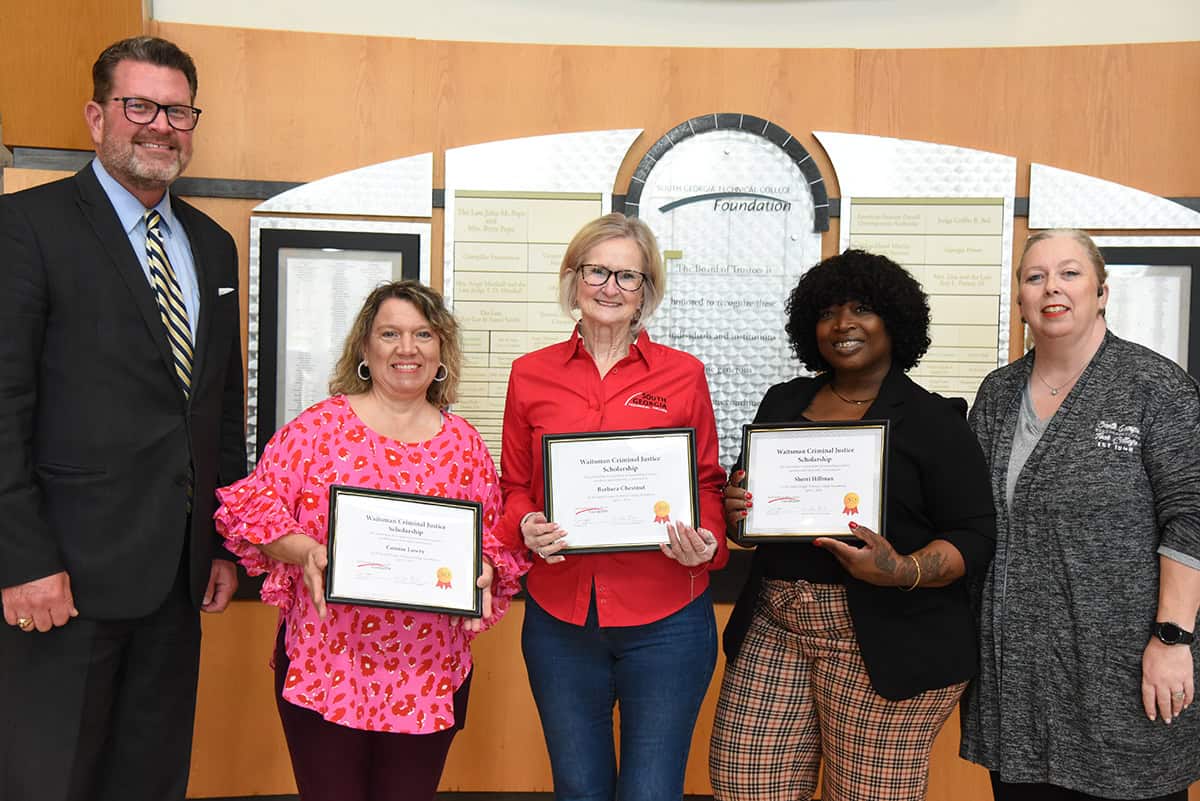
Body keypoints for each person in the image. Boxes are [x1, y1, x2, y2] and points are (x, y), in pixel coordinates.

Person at [0, 36, 246, 801]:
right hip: (62, 581)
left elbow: (219, 403)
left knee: (150, 779)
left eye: (178, 111)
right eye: (139, 105)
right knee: (52, 781)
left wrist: (223, 538)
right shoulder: (26, 227)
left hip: (177, 580)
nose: (160, 125)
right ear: (96, 115)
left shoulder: (212, 246)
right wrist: (22, 560)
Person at [215, 280, 528, 801]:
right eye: (390, 334)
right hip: (326, 662)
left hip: (427, 670)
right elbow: (253, 509)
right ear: (365, 347)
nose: (408, 348)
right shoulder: (317, 429)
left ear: (442, 350)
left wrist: (486, 574)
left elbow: (493, 542)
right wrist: (305, 551)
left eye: (423, 334)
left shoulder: (465, 445)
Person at [710, 249, 996, 801]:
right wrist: (738, 513)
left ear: (895, 320)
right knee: (745, 783)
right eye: (827, 312)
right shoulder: (783, 401)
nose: (843, 324)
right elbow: (751, 523)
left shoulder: (934, 420)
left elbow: (976, 535)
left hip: (890, 637)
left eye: (862, 308)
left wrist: (902, 568)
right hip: (777, 626)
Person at [960, 229, 1200, 801]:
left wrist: (1172, 639)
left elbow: (1192, 516)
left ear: (1101, 293)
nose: (1052, 288)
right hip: (1017, 676)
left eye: (1069, 273)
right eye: (1035, 277)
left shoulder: (1154, 387)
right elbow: (970, 514)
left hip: (1129, 666)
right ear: (1021, 299)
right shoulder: (997, 394)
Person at [499, 213, 727, 801]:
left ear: (646, 292)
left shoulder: (684, 375)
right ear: (574, 278)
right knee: (579, 789)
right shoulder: (529, 374)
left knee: (651, 791)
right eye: (597, 271)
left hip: (667, 617)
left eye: (628, 276)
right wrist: (524, 523)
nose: (610, 287)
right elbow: (513, 486)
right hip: (561, 618)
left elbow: (706, 482)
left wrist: (706, 542)